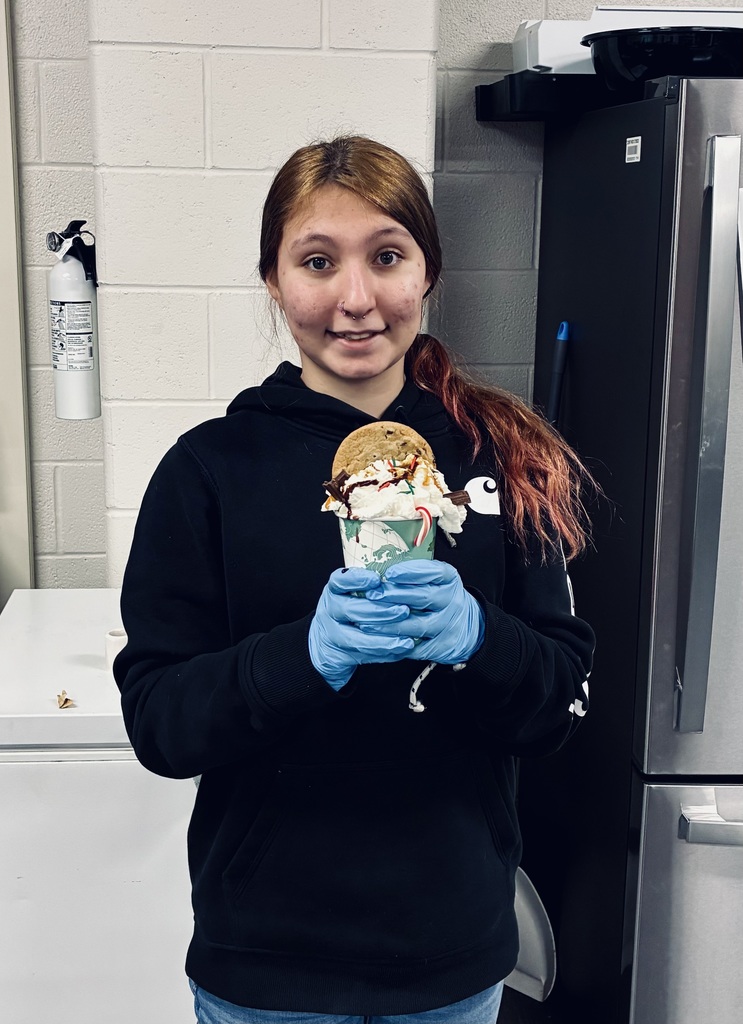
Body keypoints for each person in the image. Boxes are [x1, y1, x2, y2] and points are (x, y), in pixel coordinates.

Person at [114, 135, 595, 1024]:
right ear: (272, 279)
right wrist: (303, 656)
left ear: (427, 272)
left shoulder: (502, 459)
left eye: (385, 257)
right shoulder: (207, 472)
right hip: (266, 967)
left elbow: (560, 705)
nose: (355, 299)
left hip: (451, 959)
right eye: (317, 261)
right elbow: (160, 725)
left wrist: (478, 639)